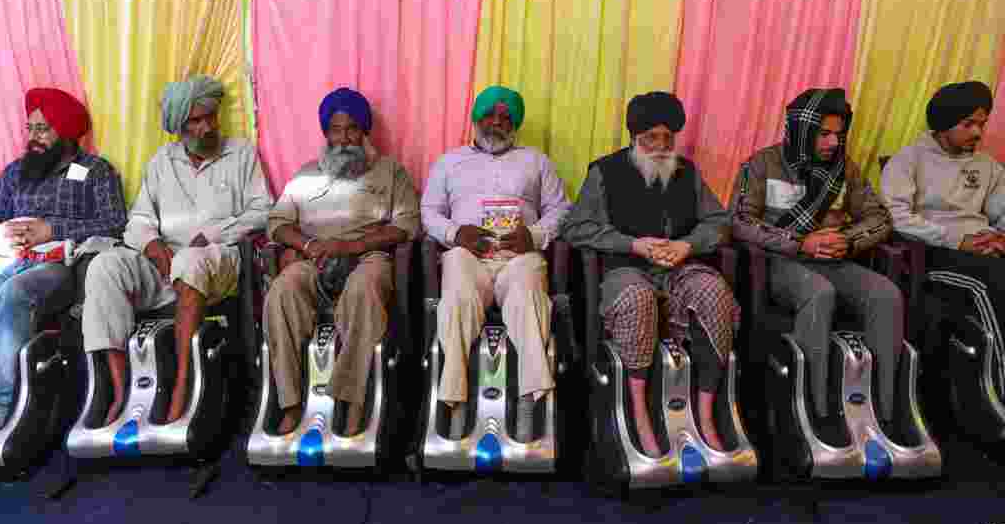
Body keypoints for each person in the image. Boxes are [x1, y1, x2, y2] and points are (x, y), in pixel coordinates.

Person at [82, 76, 272, 426]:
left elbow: (263, 211)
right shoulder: (161, 162)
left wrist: (213, 234)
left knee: (190, 259)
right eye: (195, 122)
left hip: (219, 264)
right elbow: (137, 219)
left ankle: (184, 386)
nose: (206, 127)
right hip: (167, 264)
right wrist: (152, 244)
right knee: (104, 266)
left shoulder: (241, 153)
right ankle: (120, 391)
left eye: (210, 118)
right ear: (179, 128)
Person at [561, 91, 739, 455]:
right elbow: (576, 228)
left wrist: (688, 245)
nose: (660, 146)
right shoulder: (605, 172)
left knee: (715, 293)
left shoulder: (687, 173)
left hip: (680, 267)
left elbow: (719, 223)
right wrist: (632, 244)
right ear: (634, 138)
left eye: (667, 139)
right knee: (636, 299)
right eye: (650, 139)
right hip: (626, 268)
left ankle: (706, 415)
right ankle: (639, 415)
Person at [731, 87, 902, 431]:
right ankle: (811, 408)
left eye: (839, 135)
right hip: (779, 262)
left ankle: (884, 409)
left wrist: (847, 240)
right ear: (801, 131)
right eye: (824, 134)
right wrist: (799, 242)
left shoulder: (846, 170)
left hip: (834, 259)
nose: (833, 143)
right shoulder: (762, 164)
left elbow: (880, 218)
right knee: (818, 292)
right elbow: (739, 219)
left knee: (887, 295)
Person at [264, 87, 420, 435]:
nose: (344, 138)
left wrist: (351, 247)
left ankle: (352, 402)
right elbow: (277, 223)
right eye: (336, 129)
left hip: (367, 257)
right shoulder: (306, 174)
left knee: (364, 288)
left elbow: (408, 225)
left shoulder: (389, 172)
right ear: (326, 133)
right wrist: (307, 244)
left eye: (352, 129)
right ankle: (290, 404)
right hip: (315, 258)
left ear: (365, 131)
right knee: (282, 291)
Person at [421, 85, 571, 442]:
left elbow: (562, 211)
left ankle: (530, 399)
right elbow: (428, 212)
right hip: (468, 254)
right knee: (456, 291)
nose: (496, 122)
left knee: (528, 292)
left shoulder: (537, 161)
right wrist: (457, 233)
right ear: (476, 119)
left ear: (514, 124)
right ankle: (454, 401)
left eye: (505, 117)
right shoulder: (449, 161)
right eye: (489, 115)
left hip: (517, 255)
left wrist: (533, 235)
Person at [0, 88, 126, 435]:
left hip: (60, 267)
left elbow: (115, 223)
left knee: (14, 293)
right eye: (30, 128)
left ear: (66, 131)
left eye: (43, 129)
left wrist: (52, 229)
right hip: (7, 259)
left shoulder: (95, 171)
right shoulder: (16, 172)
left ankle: (7, 409)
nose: (33, 137)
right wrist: (1, 231)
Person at [881, 80, 1005, 398]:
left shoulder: (987, 166)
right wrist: (954, 240)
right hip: (935, 254)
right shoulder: (909, 160)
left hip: (985, 248)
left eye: (982, 123)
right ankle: (1000, 390)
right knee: (990, 283)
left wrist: (1000, 238)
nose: (978, 132)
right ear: (944, 123)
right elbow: (895, 216)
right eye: (968, 124)